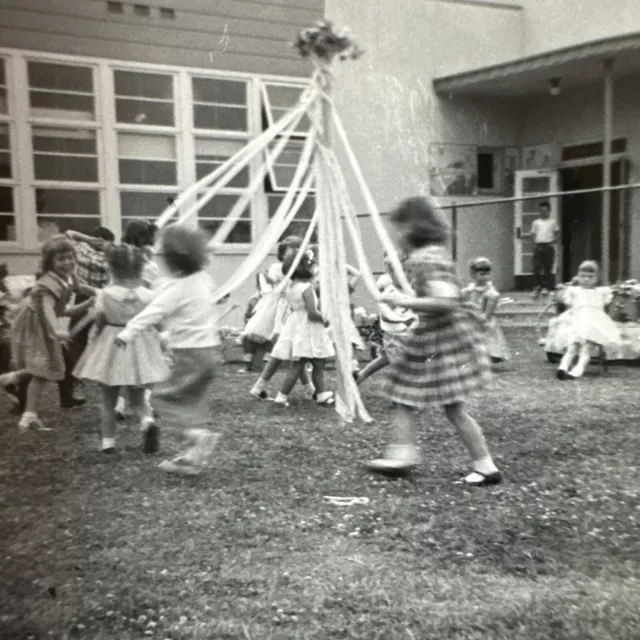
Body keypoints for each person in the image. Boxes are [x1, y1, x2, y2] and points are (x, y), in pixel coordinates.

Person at [366, 196, 501, 486]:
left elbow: (446, 299)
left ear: (415, 227)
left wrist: (404, 300)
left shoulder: (424, 258)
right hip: (445, 337)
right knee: (451, 407)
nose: (397, 235)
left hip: (439, 339)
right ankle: (485, 465)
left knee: (404, 396)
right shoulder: (435, 253)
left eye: (401, 228)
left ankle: (403, 456)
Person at [114, 225, 221, 476]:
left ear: (173, 260)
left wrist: (127, 332)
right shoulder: (202, 279)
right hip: (209, 353)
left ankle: (198, 437)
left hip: (190, 355)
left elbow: (153, 312)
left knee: (161, 399)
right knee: (191, 403)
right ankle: (192, 458)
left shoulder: (177, 288)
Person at [74, 244, 169, 453]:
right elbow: (158, 323)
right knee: (137, 396)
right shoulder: (148, 296)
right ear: (141, 269)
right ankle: (147, 422)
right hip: (140, 347)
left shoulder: (105, 294)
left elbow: (99, 321)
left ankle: (108, 443)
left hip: (112, 345)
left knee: (108, 399)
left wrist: (93, 340)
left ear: (112, 269)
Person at [0, 235, 96, 432]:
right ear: (49, 262)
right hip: (35, 325)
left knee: (45, 369)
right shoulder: (47, 284)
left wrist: (98, 294)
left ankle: (24, 404)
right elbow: (48, 310)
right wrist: (57, 329)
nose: (67, 262)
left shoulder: (69, 277)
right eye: (60, 259)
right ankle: (20, 395)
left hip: (45, 324)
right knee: (43, 368)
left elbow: (79, 290)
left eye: (70, 257)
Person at [254, 252, 335, 407]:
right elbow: (312, 313)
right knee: (302, 364)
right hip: (308, 329)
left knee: (316, 363)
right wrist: (325, 319)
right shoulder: (307, 288)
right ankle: (282, 397)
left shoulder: (291, 287)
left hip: (296, 326)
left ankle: (321, 394)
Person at [554, 260, 621, 380]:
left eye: (590, 277)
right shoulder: (574, 291)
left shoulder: (601, 291)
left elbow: (610, 299)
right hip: (577, 321)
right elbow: (562, 298)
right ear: (578, 276)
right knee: (572, 346)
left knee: (587, 347)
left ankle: (577, 370)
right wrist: (569, 285)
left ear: (596, 278)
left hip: (595, 323)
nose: (586, 279)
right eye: (583, 276)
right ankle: (563, 367)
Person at [355, 256, 416, 386]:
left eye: (410, 272)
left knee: (386, 359)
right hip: (395, 336)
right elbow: (386, 315)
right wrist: (404, 321)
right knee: (401, 364)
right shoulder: (391, 293)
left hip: (406, 335)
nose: (407, 276)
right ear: (392, 275)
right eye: (402, 273)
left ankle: (361, 375)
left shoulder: (409, 291)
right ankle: (398, 391)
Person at [461, 257, 510, 364]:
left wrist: (485, 316)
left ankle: (490, 356)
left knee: (487, 337)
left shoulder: (490, 291)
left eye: (487, 274)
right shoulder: (471, 288)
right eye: (482, 274)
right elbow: (464, 298)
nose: (485, 277)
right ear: (474, 275)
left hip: (484, 316)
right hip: (473, 315)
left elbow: (492, 303)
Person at [527, 201, 559, 299]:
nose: (542, 213)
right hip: (539, 246)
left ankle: (546, 287)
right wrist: (535, 243)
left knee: (547, 268)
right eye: (540, 211)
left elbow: (557, 234)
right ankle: (537, 286)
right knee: (537, 267)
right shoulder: (536, 222)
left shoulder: (552, 222)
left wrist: (552, 243)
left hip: (548, 246)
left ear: (549, 211)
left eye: (544, 211)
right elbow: (532, 234)